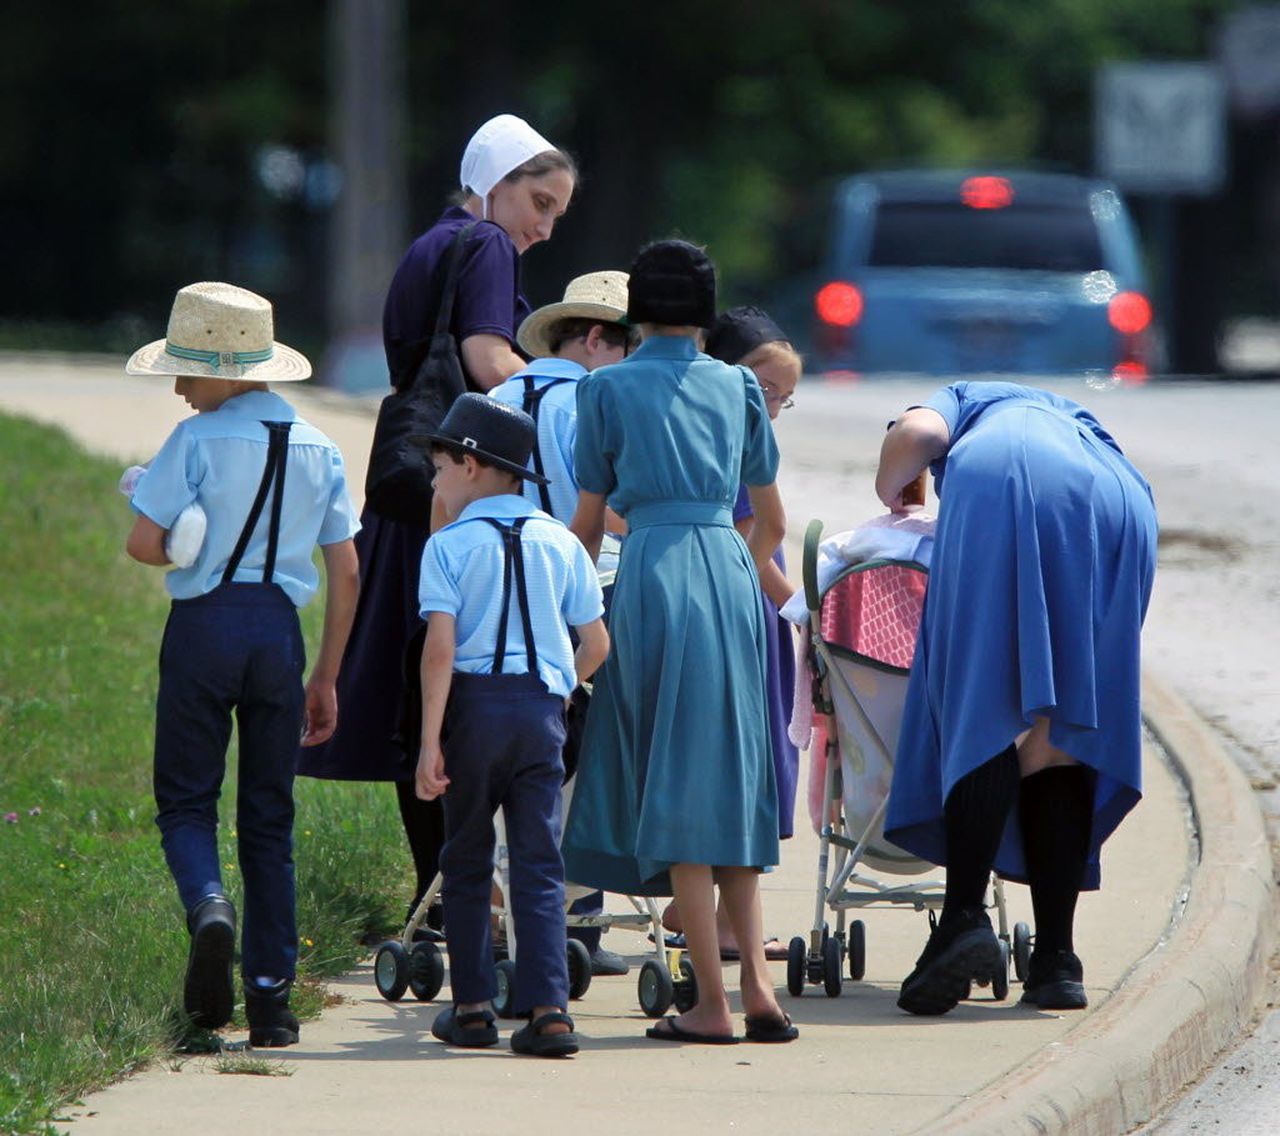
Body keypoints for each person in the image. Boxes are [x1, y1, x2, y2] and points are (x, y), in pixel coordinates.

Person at [297, 114, 577, 937]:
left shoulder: (432, 244)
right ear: (493, 180)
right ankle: (467, 904)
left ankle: (442, 897)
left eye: (557, 210)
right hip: (452, 497)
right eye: (538, 199)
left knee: (416, 703)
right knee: (459, 700)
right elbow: (490, 360)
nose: (543, 224)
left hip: (403, 491)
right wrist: (568, 395)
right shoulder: (485, 245)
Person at [561, 240, 798, 1045]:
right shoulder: (736, 387)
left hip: (654, 574)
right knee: (729, 772)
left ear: (635, 312)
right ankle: (758, 986)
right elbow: (772, 522)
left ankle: (712, 1005)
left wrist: (562, 614)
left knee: (671, 775)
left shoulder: (607, 390)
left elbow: (588, 525)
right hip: (730, 576)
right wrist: (739, 556)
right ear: (705, 312)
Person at [123, 281, 361, 1046]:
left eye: (187, 373)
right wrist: (324, 675)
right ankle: (270, 1003)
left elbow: (144, 544)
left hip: (203, 628)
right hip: (277, 637)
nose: (183, 391)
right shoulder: (320, 447)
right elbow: (347, 570)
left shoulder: (196, 442)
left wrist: (174, 527)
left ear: (226, 373)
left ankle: (207, 905)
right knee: (269, 819)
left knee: (188, 803)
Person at [875, 380, 1157, 1016]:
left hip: (1006, 485)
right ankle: (1057, 959)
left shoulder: (963, 398)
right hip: (1120, 504)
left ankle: (963, 917)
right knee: (1061, 729)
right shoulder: (1072, 418)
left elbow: (917, 435)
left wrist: (893, 485)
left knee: (986, 708)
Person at [414, 394, 609, 1057]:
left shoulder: (448, 546)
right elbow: (597, 643)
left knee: (467, 857)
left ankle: (471, 1007)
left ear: (469, 465)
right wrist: (559, 691)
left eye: (438, 467)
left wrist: (429, 741)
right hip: (539, 712)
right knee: (538, 861)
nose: (435, 482)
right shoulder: (560, 539)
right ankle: (550, 1010)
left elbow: (439, 650)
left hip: (473, 709)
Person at [490, 270, 632, 977]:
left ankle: (504, 909)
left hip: (502, 594)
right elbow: (612, 505)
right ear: (600, 339)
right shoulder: (601, 401)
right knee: (583, 752)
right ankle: (575, 922)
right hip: (586, 589)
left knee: (511, 749)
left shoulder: (493, 398)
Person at [658, 306, 802, 962]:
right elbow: (753, 547)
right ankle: (716, 922)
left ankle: (706, 912)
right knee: (748, 767)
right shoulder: (725, 441)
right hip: (739, 617)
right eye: (764, 389)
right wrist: (807, 610)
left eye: (783, 398)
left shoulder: (727, 434)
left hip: (744, 616)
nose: (770, 406)